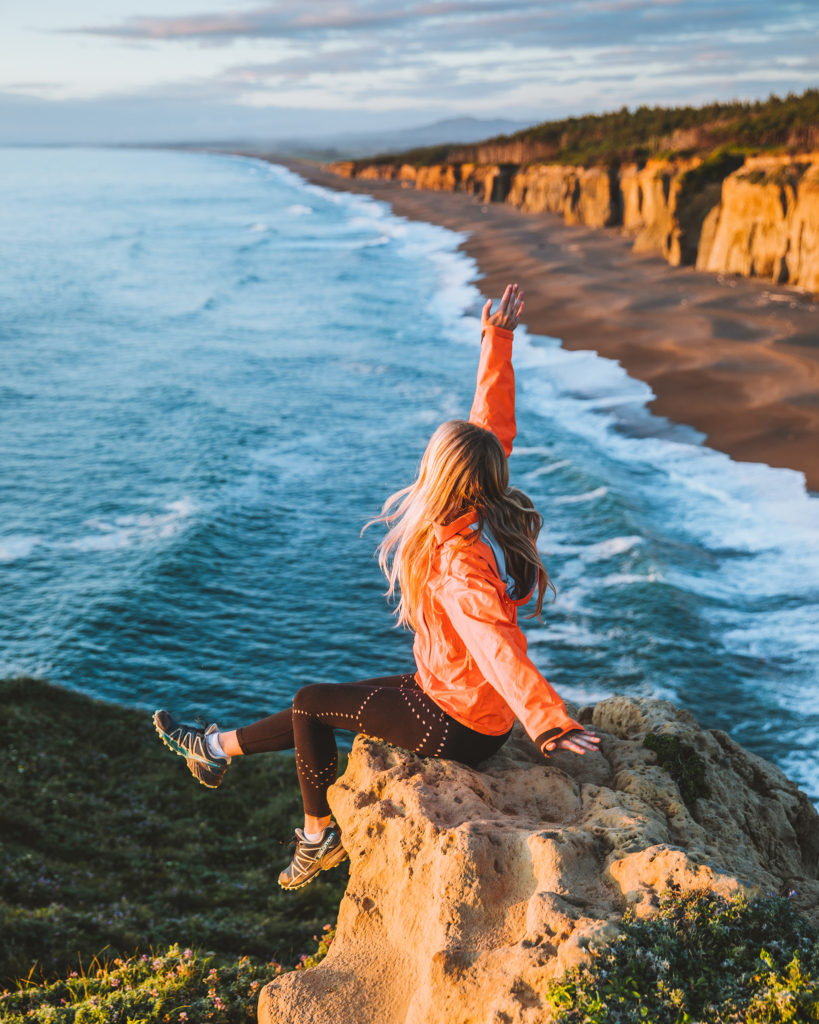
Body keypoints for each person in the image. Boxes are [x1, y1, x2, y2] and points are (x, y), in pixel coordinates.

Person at [153, 283, 600, 891]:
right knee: (316, 708)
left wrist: (550, 723)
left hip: (459, 726)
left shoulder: (460, 564)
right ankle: (210, 750)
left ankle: (315, 838)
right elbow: (490, 429)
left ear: (437, 475)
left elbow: (500, 648)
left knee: (312, 700)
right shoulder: (474, 505)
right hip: (454, 698)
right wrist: (497, 340)